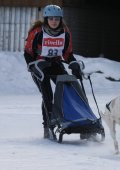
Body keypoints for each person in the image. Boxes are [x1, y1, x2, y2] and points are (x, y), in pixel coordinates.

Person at [24, 4, 82, 138]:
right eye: (51, 19)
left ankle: (79, 120)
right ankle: (48, 126)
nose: (54, 21)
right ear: (46, 19)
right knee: (47, 95)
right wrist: (32, 66)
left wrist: (73, 64)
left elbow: (67, 53)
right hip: (39, 66)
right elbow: (27, 53)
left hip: (55, 63)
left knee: (70, 89)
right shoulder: (37, 32)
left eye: (57, 18)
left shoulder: (65, 32)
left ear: (60, 19)